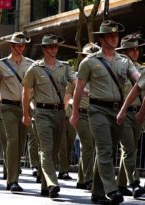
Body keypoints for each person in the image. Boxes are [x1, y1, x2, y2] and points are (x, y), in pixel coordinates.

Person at [70, 20, 139, 204]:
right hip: (97, 110)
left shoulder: (125, 62)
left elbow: (138, 81)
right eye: (110, 35)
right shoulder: (89, 62)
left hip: (117, 112)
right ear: (101, 38)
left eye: (116, 35)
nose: (114, 39)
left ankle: (97, 193)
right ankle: (112, 189)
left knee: (107, 152)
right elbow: (78, 90)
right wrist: (75, 113)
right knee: (105, 149)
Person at [0, 32, 34, 192]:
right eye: (18, 45)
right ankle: (12, 180)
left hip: (24, 107)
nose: (21, 48)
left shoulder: (30, 64)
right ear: (12, 46)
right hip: (7, 107)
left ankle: (13, 173)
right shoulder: (1, 65)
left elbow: (34, 88)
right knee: (12, 140)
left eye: (23, 45)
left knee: (20, 143)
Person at [22, 34, 77, 198]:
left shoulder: (65, 67)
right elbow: (26, 94)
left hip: (60, 112)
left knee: (54, 151)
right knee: (46, 149)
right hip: (42, 113)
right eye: (51, 47)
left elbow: (75, 81)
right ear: (44, 49)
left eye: (56, 47)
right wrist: (25, 114)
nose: (54, 49)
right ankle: (53, 183)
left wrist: (86, 89)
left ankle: (46, 187)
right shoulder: (35, 69)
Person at [115, 33, 145, 198]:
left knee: (131, 147)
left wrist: (142, 113)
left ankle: (120, 184)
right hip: (123, 113)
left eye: (136, 49)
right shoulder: (118, 68)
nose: (135, 52)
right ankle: (134, 183)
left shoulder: (142, 69)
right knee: (128, 148)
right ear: (124, 52)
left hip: (138, 114)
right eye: (131, 50)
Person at [67, 43, 100, 190]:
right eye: (88, 56)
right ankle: (89, 178)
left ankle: (81, 179)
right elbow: (67, 97)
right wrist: (72, 109)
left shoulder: (100, 76)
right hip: (80, 113)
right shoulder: (75, 76)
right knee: (88, 145)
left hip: (95, 113)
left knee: (89, 146)